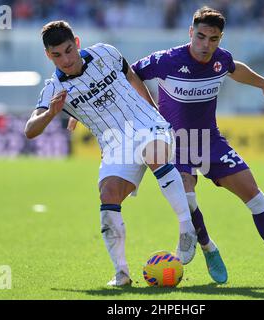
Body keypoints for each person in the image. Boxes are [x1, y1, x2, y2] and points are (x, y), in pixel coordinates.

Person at [130, 6, 264, 284]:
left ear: (220, 38)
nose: (206, 45)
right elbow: (129, 73)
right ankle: (208, 246)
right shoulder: (166, 60)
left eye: (213, 39)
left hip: (211, 141)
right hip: (175, 143)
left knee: (255, 196)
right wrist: (139, 109)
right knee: (186, 197)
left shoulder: (220, 59)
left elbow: (235, 69)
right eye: (200, 37)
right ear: (190, 33)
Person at [24, 21, 198, 286]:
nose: (66, 59)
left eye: (69, 50)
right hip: (115, 145)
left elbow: (131, 76)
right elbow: (30, 130)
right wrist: (51, 113)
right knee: (108, 196)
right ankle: (121, 273)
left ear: (77, 43)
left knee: (154, 154)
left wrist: (153, 112)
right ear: (49, 55)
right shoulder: (53, 89)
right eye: (57, 55)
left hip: (146, 124)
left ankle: (187, 228)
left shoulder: (106, 53)